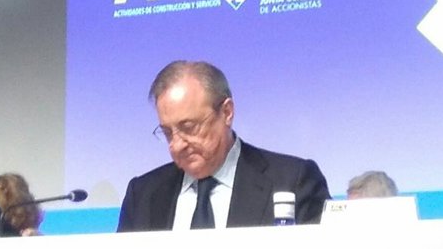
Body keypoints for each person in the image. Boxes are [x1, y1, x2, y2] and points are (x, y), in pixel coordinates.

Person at [118, 60, 330, 230]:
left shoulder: (294, 181)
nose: (176, 145)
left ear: (227, 112)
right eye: (167, 133)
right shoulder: (143, 195)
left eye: (189, 127)